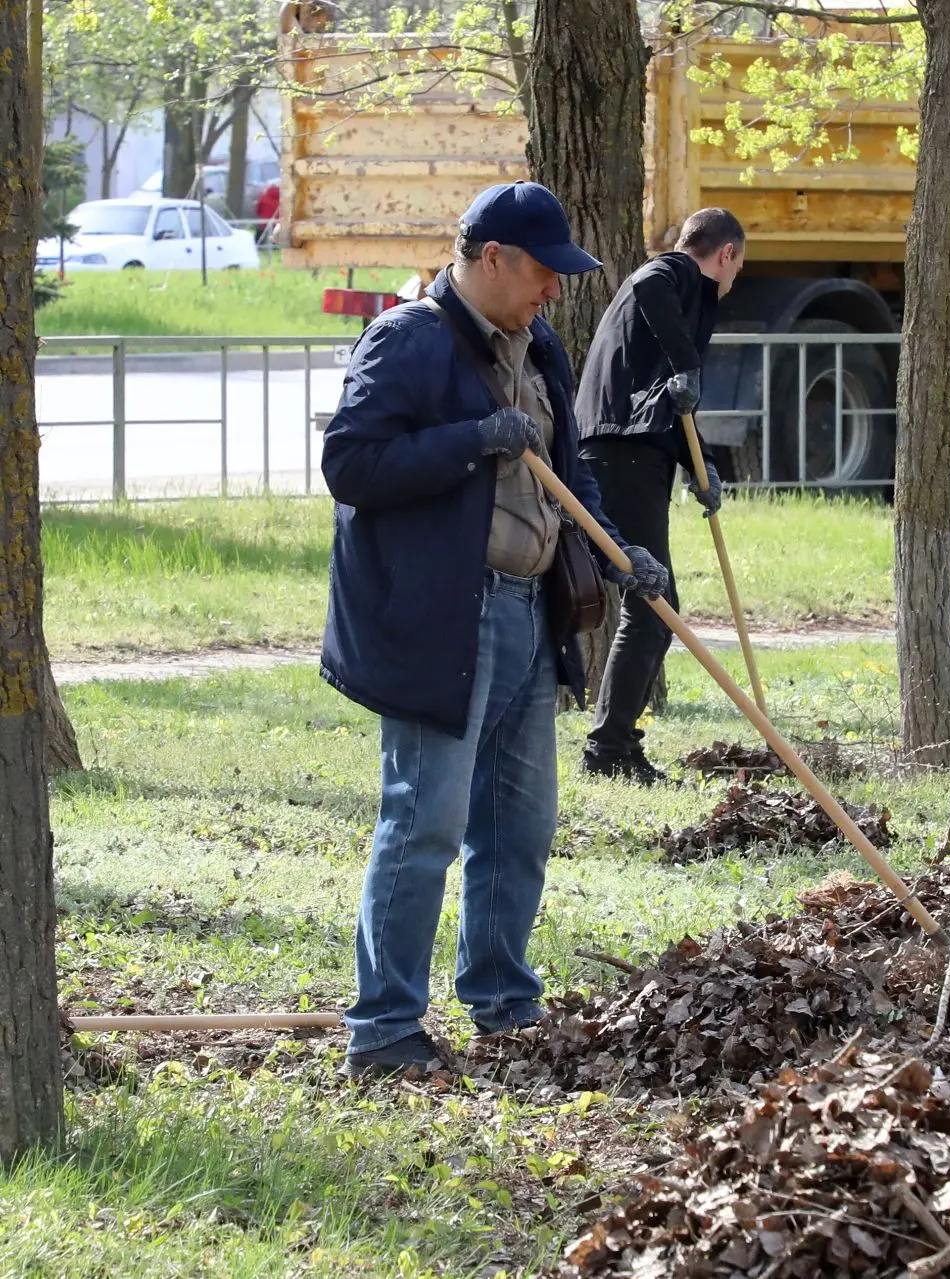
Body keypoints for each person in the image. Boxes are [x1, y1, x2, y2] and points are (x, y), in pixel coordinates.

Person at [321, 181, 669, 1078]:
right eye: (543, 272)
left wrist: (618, 551)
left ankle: (506, 1006)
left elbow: (568, 473)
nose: (554, 288)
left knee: (519, 826)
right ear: (491, 259)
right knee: (424, 821)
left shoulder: (539, 345)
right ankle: (384, 1027)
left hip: (526, 610)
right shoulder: (408, 339)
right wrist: (472, 438)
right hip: (444, 618)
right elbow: (351, 463)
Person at [573, 208, 749, 783]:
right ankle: (608, 750)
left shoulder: (684, 300)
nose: (734, 277)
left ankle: (615, 744)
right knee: (653, 608)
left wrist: (703, 467)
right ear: (725, 253)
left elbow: (668, 407)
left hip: (635, 450)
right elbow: (648, 283)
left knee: (655, 607)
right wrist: (689, 364)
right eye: (737, 266)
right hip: (619, 453)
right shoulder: (670, 275)